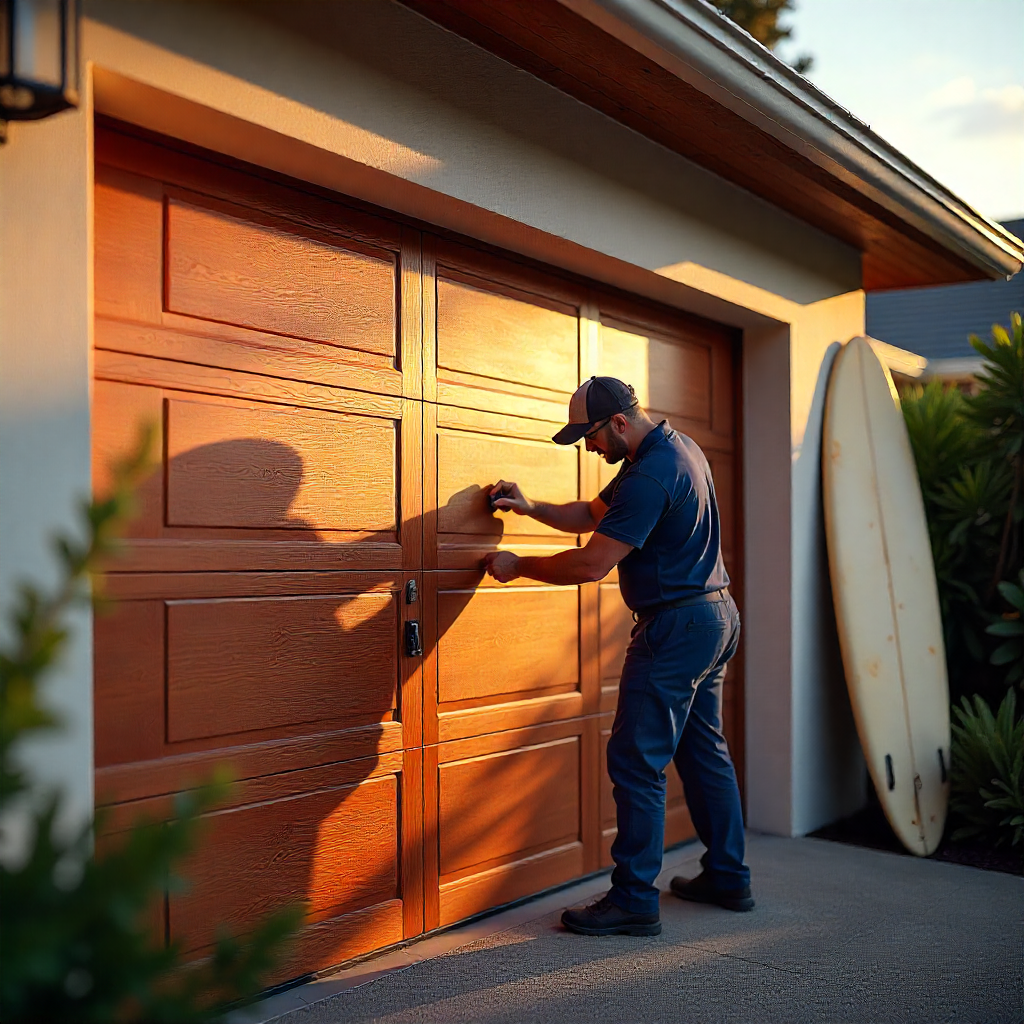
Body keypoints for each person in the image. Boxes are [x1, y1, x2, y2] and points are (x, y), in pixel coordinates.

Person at [483, 376, 752, 937]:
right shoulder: (674, 449)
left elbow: (591, 564)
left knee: (636, 759)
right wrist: (530, 507)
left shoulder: (650, 474)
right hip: (714, 615)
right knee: (704, 752)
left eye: (591, 435)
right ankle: (729, 877)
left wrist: (518, 566)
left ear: (620, 422)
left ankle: (633, 900)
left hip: (676, 628)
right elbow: (591, 514)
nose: (589, 447)